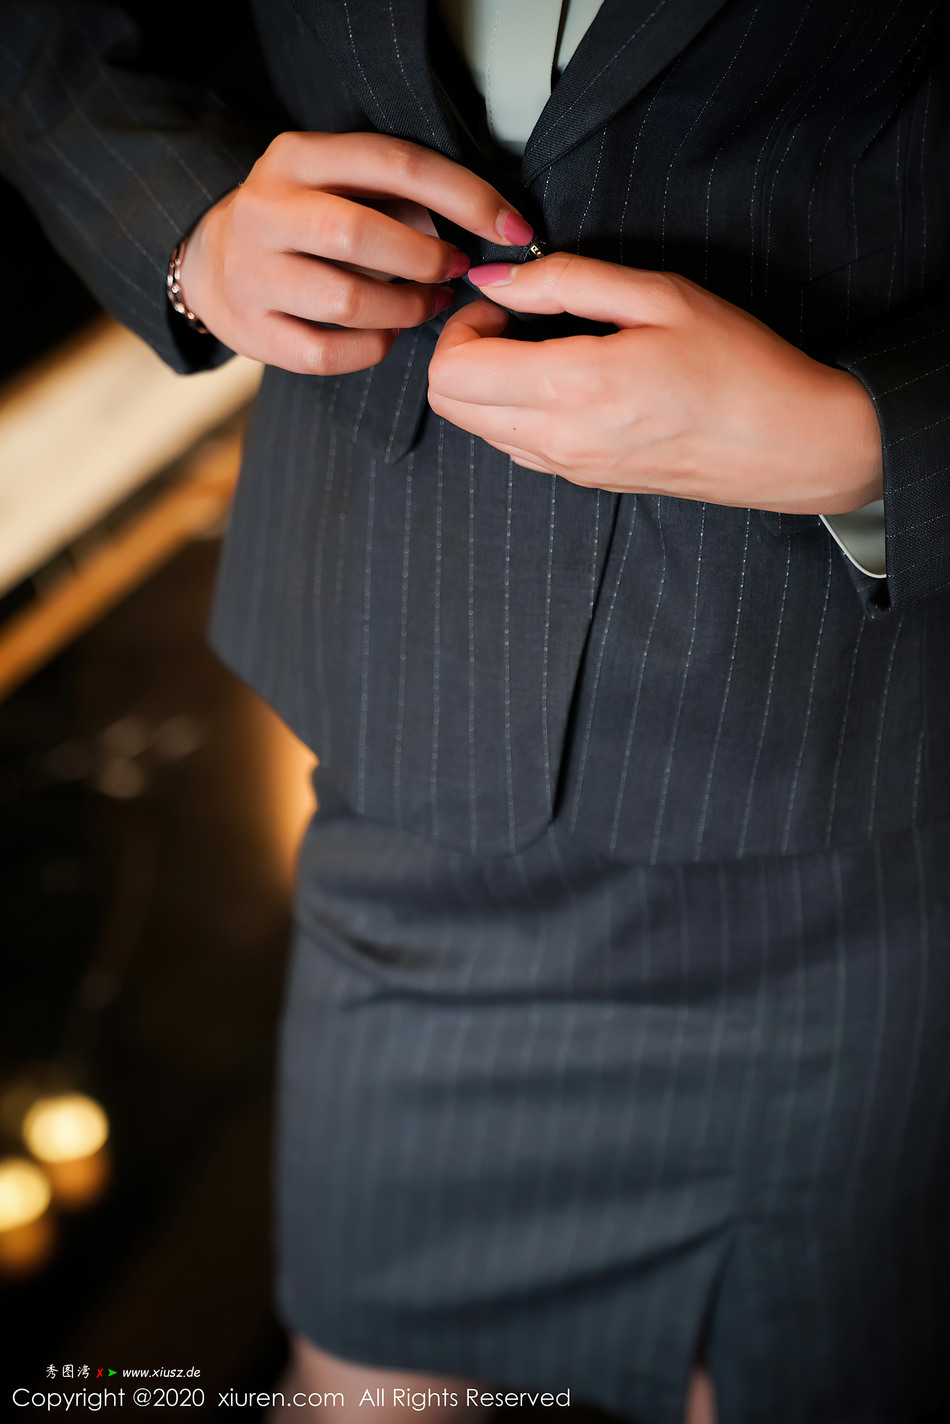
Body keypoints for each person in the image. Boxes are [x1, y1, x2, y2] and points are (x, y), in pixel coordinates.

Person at [2, 2, 949, 1421]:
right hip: (419, 736)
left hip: (845, 802)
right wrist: (189, 233)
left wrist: (862, 442)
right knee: (360, 1386)